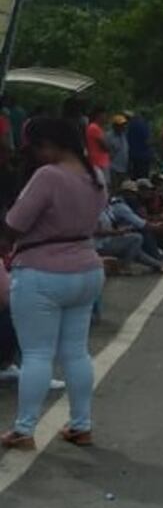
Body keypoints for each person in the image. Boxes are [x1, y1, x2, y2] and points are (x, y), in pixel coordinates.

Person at [0, 117, 107, 450]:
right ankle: (81, 424)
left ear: (52, 143)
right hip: (87, 269)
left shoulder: (48, 177)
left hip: (42, 272)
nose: (37, 155)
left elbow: (14, 224)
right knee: (76, 352)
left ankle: (24, 429)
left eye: (38, 147)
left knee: (36, 354)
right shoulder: (95, 175)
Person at [85, 107, 111, 183]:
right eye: (104, 116)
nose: (105, 118)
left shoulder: (98, 128)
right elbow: (105, 146)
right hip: (98, 162)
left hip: (101, 161)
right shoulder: (94, 128)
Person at [127, 110, 152, 179]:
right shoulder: (144, 125)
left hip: (133, 155)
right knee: (143, 178)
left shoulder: (130, 125)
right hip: (144, 156)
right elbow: (148, 141)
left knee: (135, 176)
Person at [107, 113, 130, 187]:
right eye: (121, 125)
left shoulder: (124, 135)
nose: (123, 127)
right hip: (113, 168)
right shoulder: (109, 136)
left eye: (124, 124)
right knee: (114, 188)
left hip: (123, 167)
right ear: (115, 126)